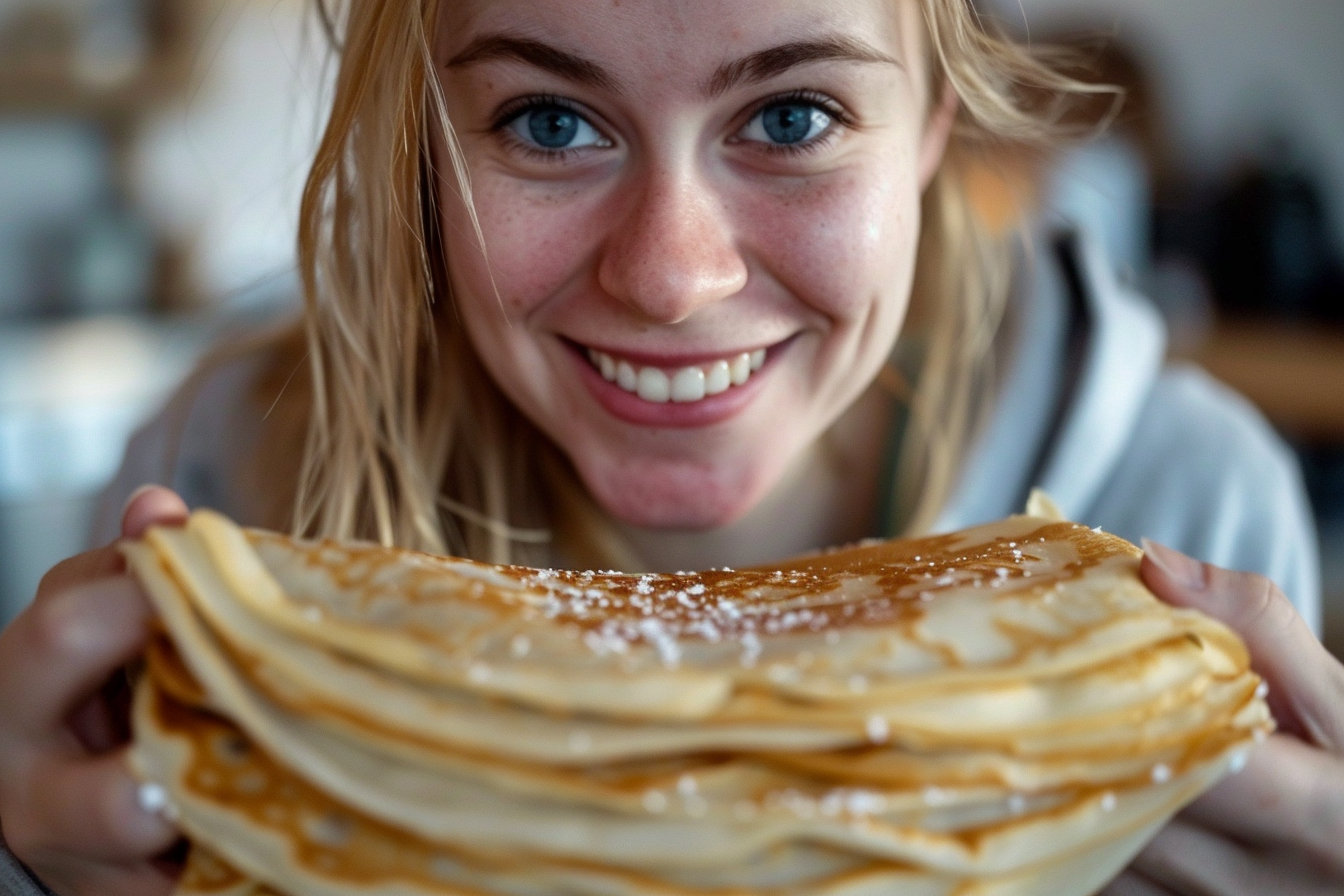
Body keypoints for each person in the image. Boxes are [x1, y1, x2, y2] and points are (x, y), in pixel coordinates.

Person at [0, 1, 1339, 894]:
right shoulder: (232, 492)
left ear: (936, 121)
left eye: (794, 117)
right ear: (422, 142)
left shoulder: (1188, 518)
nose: (668, 279)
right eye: (548, 120)